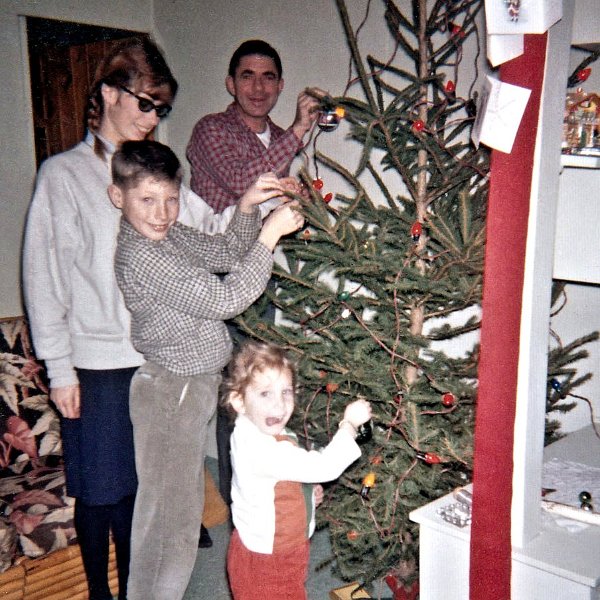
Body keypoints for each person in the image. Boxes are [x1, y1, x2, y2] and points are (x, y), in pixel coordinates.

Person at [21, 37, 271, 600]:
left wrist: (250, 209)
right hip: (99, 361)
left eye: (162, 108)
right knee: (100, 490)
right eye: (145, 102)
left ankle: (139, 586)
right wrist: (59, 368)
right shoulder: (62, 176)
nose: (152, 117)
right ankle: (100, 594)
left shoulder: (156, 176)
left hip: (156, 361)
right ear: (109, 93)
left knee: (141, 491)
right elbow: (43, 277)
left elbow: (210, 231)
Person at [109, 139, 304, 600]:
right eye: (147, 200)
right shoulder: (144, 254)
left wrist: (247, 207)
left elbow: (225, 255)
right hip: (172, 391)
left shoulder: (167, 236)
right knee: (169, 526)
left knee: (174, 513)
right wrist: (270, 236)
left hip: (188, 389)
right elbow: (225, 299)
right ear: (118, 196)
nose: (162, 213)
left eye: (171, 199)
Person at [221, 341, 372, 600]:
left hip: (271, 546)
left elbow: (280, 477)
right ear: (239, 401)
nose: (279, 406)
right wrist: (348, 425)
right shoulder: (261, 447)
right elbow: (325, 466)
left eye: (286, 392)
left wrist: (303, 495)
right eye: (265, 393)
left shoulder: (255, 428)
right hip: (270, 558)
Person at [186, 39, 322, 214]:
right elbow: (240, 183)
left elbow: (267, 208)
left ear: (280, 86)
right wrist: (298, 128)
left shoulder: (281, 138)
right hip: (219, 240)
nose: (258, 87)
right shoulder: (210, 128)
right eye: (247, 76)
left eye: (268, 77)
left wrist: (298, 201)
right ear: (231, 84)